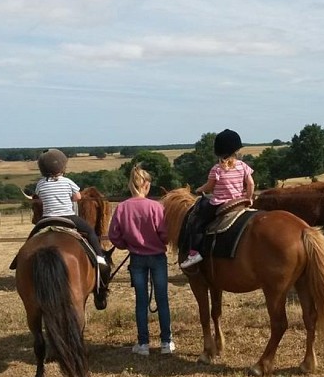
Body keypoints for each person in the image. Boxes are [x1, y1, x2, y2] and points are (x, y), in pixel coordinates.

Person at [108, 164, 175, 356]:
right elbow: (164, 234)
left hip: (137, 258)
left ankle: (143, 343)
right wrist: (158, 242)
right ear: (146, 184)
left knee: (141, 301)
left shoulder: (122, 208)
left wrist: (127, 244)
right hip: (157, 257)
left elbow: (114, 235)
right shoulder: (155, 207)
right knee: (162, 299)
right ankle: (166, 342)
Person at [180, 129, 255, 269]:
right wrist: (248, 198)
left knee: (197, 223)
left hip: (219, 203)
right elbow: (251, 184)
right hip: (239, 202)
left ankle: (194, 254)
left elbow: (209, 187)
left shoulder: (217, 169)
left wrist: (199, 189)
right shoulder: (243, 166)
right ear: (236, 150)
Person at [30, 149, 109, 270]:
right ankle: (100, 257)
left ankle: (18, 259)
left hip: (47, 218)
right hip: (68, 217)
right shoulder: (67, 182)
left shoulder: (40, 184)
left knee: (32, 237)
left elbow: (39, 198)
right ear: (62, 167)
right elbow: (78, 197)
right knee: (90, 232)